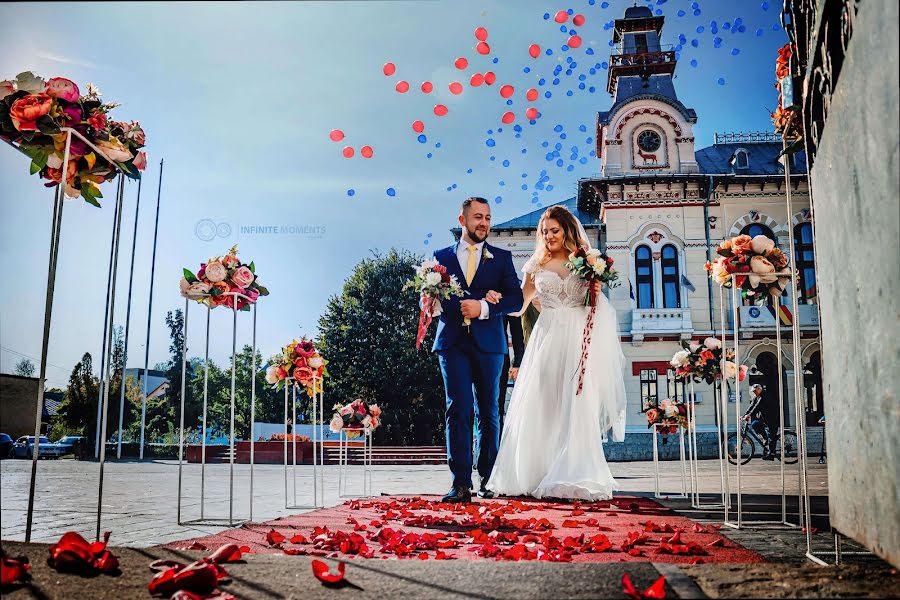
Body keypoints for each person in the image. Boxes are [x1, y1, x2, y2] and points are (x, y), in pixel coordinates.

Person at [487, 205, 627, 501]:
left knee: (576, 405)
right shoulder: (535, 265)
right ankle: (537, 472)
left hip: (579, 340)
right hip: (547, 339)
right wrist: (494, 301)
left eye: (554, 230)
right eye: (544, 231)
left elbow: (596, 309)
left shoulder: (587, 262)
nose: (548, 236)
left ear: (567, 231)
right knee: (545, 401)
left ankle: (574, 474)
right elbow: (520, 306)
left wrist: (596, 293)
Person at [428, 197, 524, 503]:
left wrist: (482, 307)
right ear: (462, 220)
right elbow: (433, 297)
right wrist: (431, 302)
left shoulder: (502, 258)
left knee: (489, 411)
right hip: (452, 343)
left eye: (487, 217)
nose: (483, 223)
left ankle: (489, 478)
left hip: (490, 345)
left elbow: (515, 300)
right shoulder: (440, 257)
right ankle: (460, 483)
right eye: (477, 217)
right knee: (458, 409)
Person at [497, 314, 525, 439]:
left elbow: (516, 328)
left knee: (497, 408)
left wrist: (518, 362)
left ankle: (496, 452)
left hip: (499, 356)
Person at [743, 383, 776, 460]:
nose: (754, 392)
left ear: (759, 389)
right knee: (754, 424)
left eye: (755, 391)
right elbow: (752, 406)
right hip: (764, 419)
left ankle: (771, 454)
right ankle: (765, 438)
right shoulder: (757, 397)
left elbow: (756, 407)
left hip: (772, 418)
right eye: (753, 391)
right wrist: (745, 414)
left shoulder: (764, 396)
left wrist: (749, 415)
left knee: (771, 436)